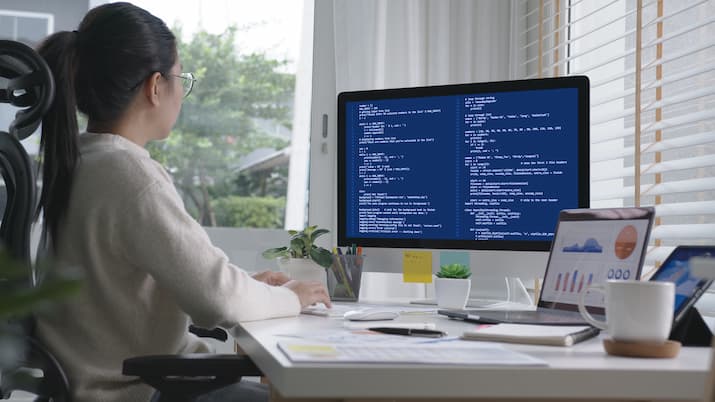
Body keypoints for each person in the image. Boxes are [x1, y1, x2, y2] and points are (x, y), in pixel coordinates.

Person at [33, 3, 331, 402]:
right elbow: (217, 300)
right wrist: (292, 298)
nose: (182, 92)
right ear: (155, 86)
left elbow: (172, 282)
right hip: (135, 391)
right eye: (180, 78)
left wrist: (245, 286)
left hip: (93, 384)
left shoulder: (82, 160)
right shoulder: (130, 175)